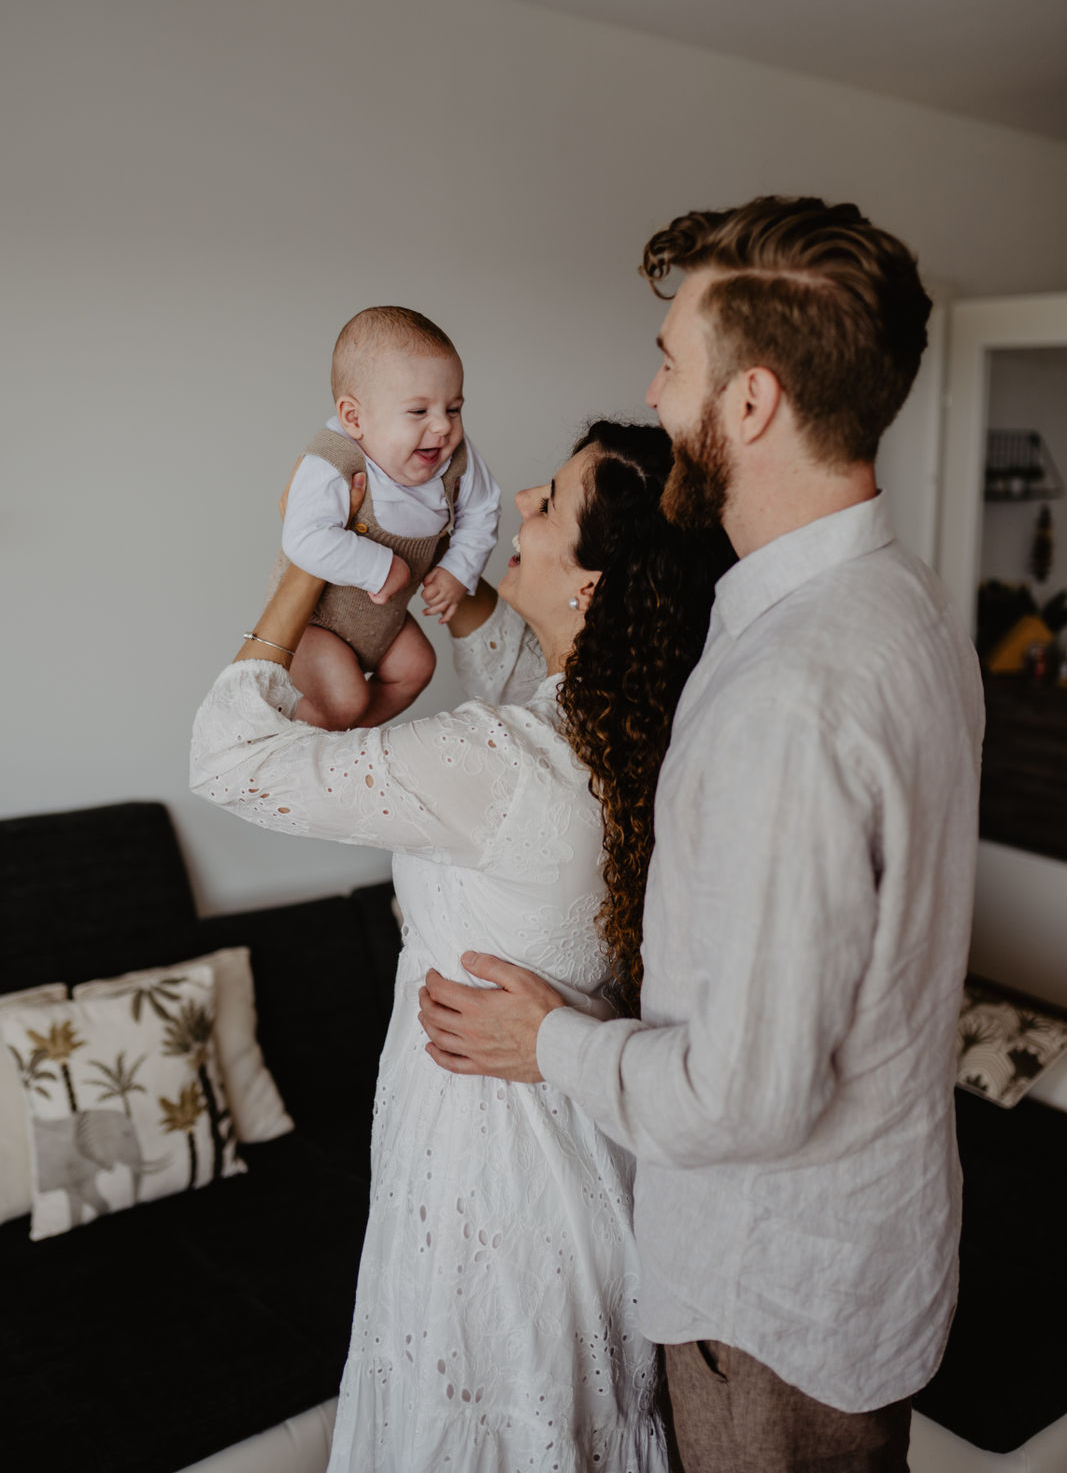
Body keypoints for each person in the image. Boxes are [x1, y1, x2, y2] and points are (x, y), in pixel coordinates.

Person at [419, 196, 986, 1472]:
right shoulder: (906, 605)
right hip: (870, 1257)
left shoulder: (791, 689)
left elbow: (744, 1093)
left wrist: (544, 1038)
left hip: (766, 1306)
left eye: (672, 360)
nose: (653, 389)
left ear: (750, 403)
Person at [191, 419, 734, 1472]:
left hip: (485, 1180)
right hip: (591, 1158)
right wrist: (459, 581)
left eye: (551, 502)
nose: (522, 498)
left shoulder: (502, 760)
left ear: (593, 587)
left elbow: (228, 757)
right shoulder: (635, 731)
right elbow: (512, 655)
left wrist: (305, 565)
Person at [272, 305, 500, 729]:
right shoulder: (333, 460)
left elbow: (483, 509)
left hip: (382, 620)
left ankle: (344, 740)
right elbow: (302, 537)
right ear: (354, 417)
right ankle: (295, 733)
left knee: (417, 668)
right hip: (316, 624)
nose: (443, 427)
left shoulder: (456, 460)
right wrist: (380, 566)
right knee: (346, 697)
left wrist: (458, 569)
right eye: (419, 412)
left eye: (453, 408)